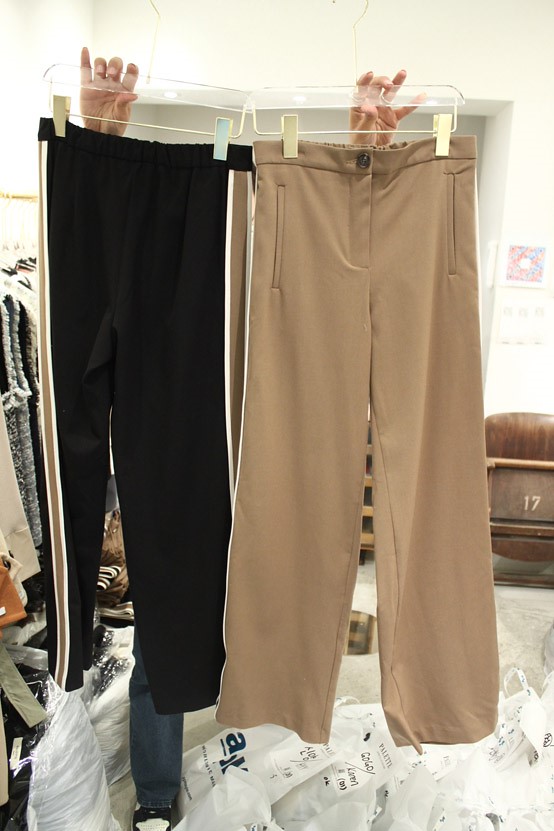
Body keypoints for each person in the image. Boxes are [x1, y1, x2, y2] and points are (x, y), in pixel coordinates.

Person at [76, 46, 416, 831]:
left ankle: (271, 751)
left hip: (284, 425)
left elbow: (349, 253)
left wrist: (362, 145)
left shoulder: (297, 201)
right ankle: (157, 790)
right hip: (192, 427)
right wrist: (100, 140)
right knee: (169, 617)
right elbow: (110, 252)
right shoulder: (198, 207)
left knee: (289, 604)